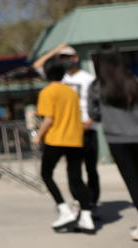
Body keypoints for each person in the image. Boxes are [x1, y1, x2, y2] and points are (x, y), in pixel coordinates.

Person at [89, 47, 138, 248]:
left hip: (117, 140)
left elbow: (94, 113)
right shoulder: (135, 81)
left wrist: (111, 117)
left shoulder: (98, 86)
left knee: (133, 184)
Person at [33, 42, 100, 211]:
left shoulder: (88, 78)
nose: (64, 61)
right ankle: (80, 203)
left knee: (90, 169)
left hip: (86, 130)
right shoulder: (59, 78)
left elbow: (99, 104)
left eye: (67, 57)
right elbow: (37, 65)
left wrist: (89, 122)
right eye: (61, 58)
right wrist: (56, 49)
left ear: (75, 59)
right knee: (73, 173)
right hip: (68, 131)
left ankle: (92, 202)